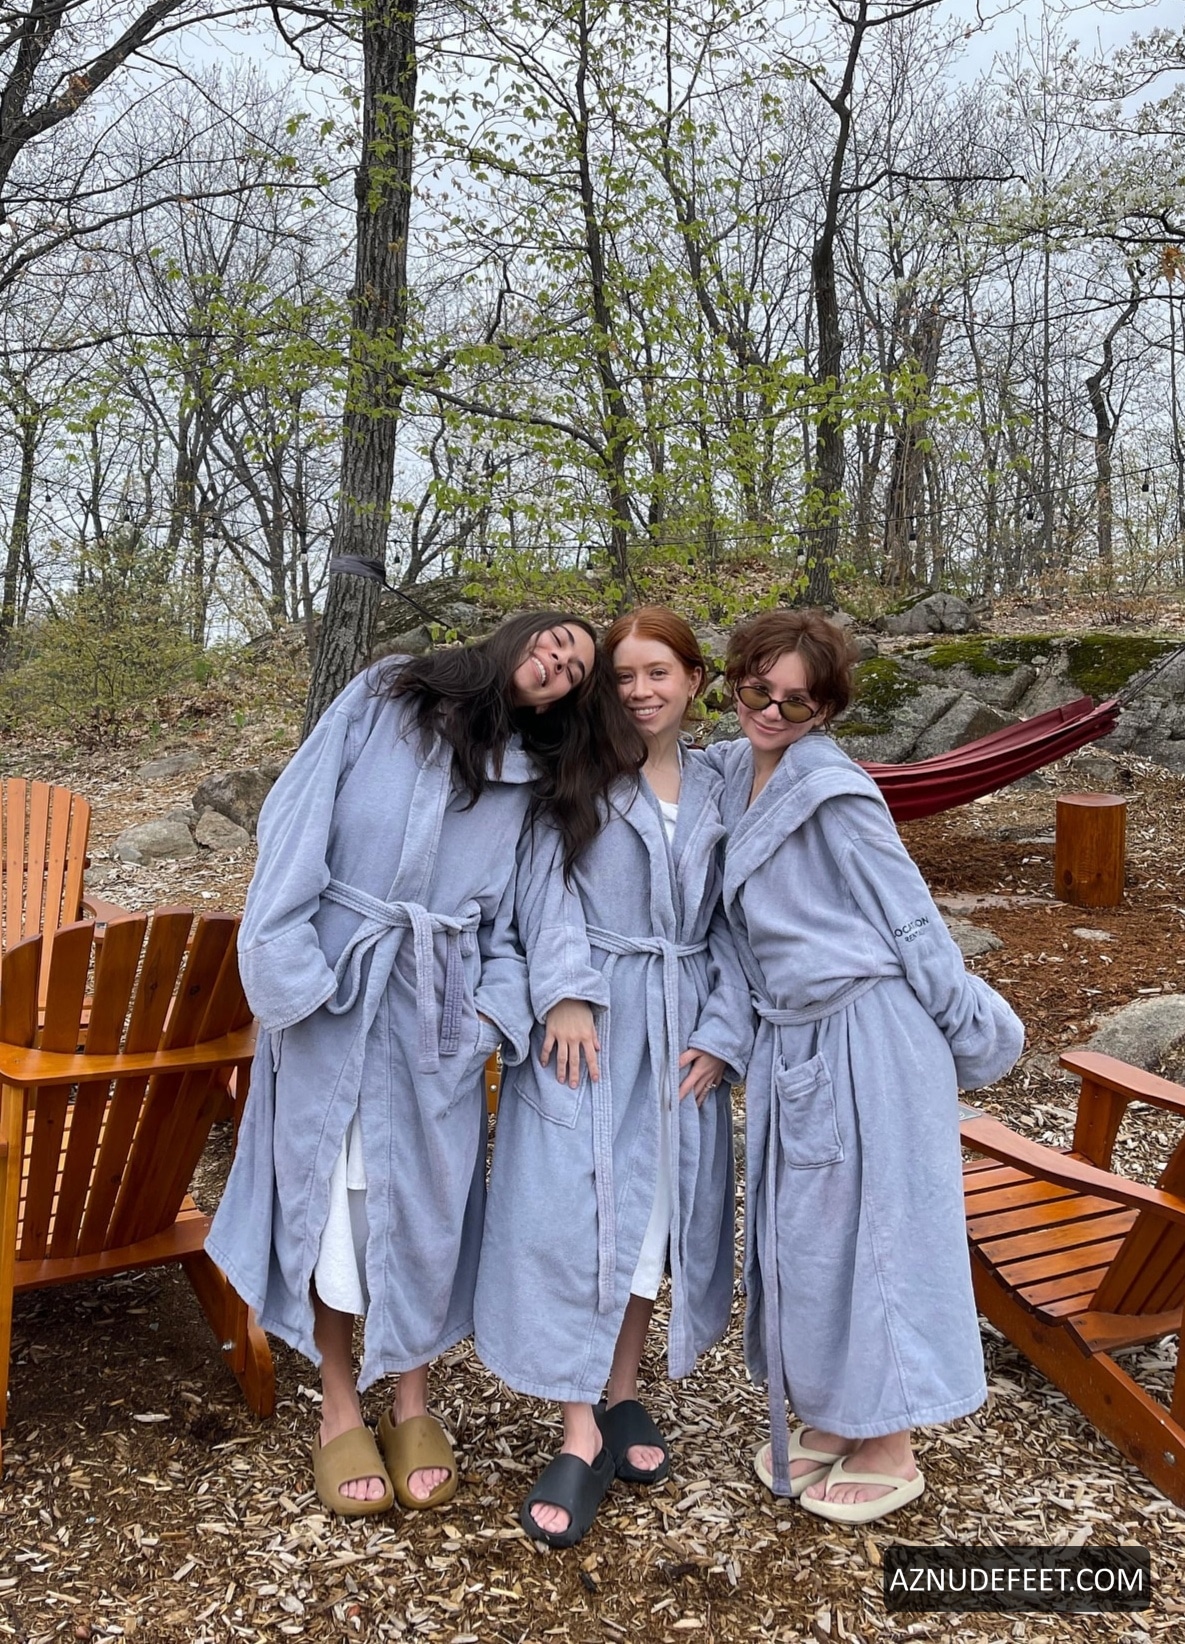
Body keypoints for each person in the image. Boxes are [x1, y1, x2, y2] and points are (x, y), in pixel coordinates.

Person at [206, 612, 644, 1518]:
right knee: (330, 1199)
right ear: (519, 635)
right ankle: (337, 1401)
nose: (559, 663)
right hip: (334, 988)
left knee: (426, 1207)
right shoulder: (387, 696)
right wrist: (290, 967)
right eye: (556, 641)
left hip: (438, 1010)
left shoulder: (529, 776)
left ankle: (410, 1399)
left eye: (575, 671)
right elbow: (296, 815)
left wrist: (491, 1014)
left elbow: (526, 913)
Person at [700, 609, 1024, 1525]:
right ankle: (844, 1415)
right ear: (734, 681)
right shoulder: (731, 773)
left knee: (879, 1233)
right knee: (813, 1237)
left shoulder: (835, 793)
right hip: (794, 1037)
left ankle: (892, 1442)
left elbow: (910, 919)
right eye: (757, 690)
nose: (771, 711)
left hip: (868, 1033)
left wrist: (968, 1032)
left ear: (827, 710)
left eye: (796, 702)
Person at [475, 606, 754, 1547]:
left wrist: (724, 1030)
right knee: (571, 1217)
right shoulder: (578, 768)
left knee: (649, 1221)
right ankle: (575, 1426)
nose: (639, 691)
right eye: (623, 675)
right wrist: (562, 993)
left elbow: (735, 923)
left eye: (657, 673)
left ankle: (621, 1389)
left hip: (680, 1028)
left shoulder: (719, 786)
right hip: (590, 1026)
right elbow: (540, 885)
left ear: (693, 680)